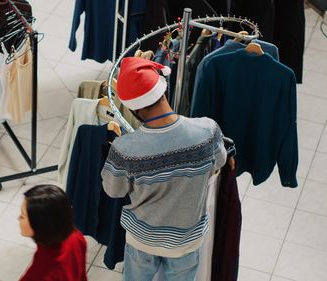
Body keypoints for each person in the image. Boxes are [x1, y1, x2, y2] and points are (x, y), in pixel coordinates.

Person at [101, 57, 227, 281]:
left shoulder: (126, 149)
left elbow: (113, 190)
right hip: (187, 239)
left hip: (143, 239)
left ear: (135, 109)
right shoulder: (207, 130)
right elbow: (220, 162)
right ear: (163, 90)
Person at [18, 185, 87, 281]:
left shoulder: (40, 275)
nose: (19, 218)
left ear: (40, 224)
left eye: (23, 216)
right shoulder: (76, 236)